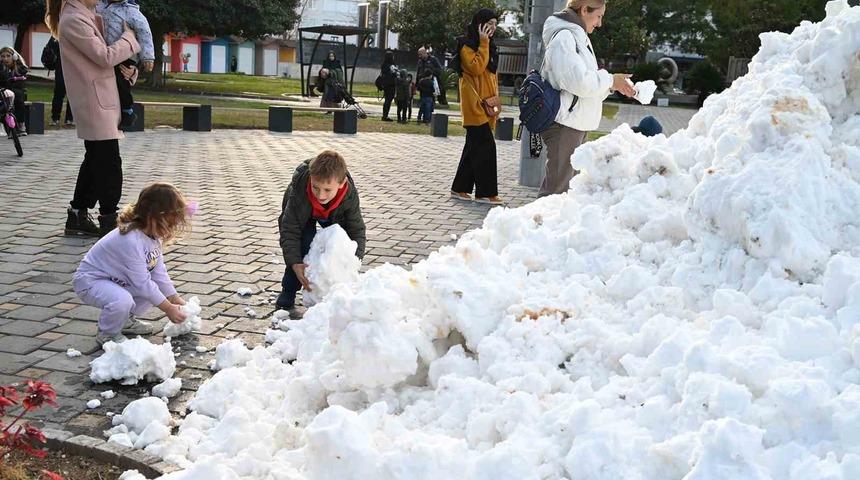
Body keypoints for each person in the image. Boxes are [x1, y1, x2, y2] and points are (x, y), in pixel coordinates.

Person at [46, 0, 142, 237]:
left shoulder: (86, 15)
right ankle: (110, 218)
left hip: (102, 97)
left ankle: (78, 214)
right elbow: (104, 56)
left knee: (95, 160)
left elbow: (108, 59)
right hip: (94, 100)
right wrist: (130, 38)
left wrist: (130, 71)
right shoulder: (73, 19)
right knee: (109, 162)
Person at [73, 183, 192, 346]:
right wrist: (168, 308)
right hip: (91, 281)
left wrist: (174, 298)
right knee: (125, 299)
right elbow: (142, 283)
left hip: (116, 279)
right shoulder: (130, 240)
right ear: (152, 217)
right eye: (168, 224)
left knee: (153, 291)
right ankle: (107, 333)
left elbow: (158, 272)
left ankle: (125, 320)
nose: (169, 230)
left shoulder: (152, 235)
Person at [538, 0, 636, 197]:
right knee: (556, 193)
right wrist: (609, 80)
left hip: (574, 123)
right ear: (584, 10)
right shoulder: (565, 37)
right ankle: (534, 226)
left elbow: (584, 84)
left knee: (564, 191)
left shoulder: (577, 36)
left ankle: (550, 226)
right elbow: (579, 82)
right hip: (565, 125)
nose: (599, 23)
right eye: (598, 16)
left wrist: (612, 85)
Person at [277, 150, 366, 318]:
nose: (320, 195)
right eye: (315, 187)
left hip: (333, 213)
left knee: (338, 244)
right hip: (303, 213)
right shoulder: (299, 191)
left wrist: (352, 262)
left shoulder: (349, 196)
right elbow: (290, 230)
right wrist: (295, 263)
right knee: (304, 244)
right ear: (310, 178)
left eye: (327, 189)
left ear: (341, 183)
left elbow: (356, 231)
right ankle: (288, 290)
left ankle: (333, 294)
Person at [450, 9, 504, 205]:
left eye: (495, 24)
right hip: (475, 106)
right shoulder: (466, 44)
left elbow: (489, 75)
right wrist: (483, 42)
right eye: (489, 23)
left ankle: (460, 188)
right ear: (479, 24)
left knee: (473, 148)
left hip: (486, 105)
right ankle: (485, 193)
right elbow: (475, 67)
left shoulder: (490, 46)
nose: (493, 27)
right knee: (486, 148)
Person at [96, 0, 155, 129]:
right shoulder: (99, 5)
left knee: (122, 82)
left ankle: (127, 110)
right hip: (107, 52)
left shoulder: (130, 10)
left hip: (124, 55)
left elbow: (144, 32)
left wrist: (148, 56)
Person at [44, 37, 74, 126]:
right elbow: (51, 49)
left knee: (70, 95)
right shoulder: (57, 34)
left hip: (71, 67)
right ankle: (56, 118)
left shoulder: (58, 33)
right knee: (59, 94)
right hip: (62, 67)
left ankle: (67, 118)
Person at [0, 46, 29, 137]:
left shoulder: (20, 68)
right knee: (5, 100)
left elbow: (20, 84)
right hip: (3, 91)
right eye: (3, 56)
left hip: (16, 91)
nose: (5, 59)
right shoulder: (1, 68)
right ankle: (9, 128)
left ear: (14, 57)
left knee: (18, 96)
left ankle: (21, 125)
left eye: (8, 56)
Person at [380, 50, 398, 122]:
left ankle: (385, 115)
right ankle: (385, 116)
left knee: (386, 100)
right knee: (388, 100)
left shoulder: (384, 65)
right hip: (391, 85)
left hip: (385, 85)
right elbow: (395, 73)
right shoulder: (391, 65)